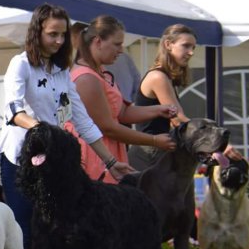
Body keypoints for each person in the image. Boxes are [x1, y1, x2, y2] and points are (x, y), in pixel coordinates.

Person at [0, 3, 133, 249]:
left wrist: (111, 162)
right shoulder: (20, 65)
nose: (58, 41)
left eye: (62, 35)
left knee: (62, 237)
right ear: (37, 33)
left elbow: (82, 120)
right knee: (24, 237)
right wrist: (44, 132)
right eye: (51, 34)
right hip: (20, 159)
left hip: (54, 166)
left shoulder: (62, 73)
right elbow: (14, 112)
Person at [64, 15, 177, 184]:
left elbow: (122, 112)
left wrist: (157, 110)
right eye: (117, 44)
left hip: (108, 156)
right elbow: (108, 128)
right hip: (95, 160)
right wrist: (154, 141)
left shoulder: (99, 72)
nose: (121, 50)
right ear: (98, 42)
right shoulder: (86, 79)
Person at [128, 23, 240, 170]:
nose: (191, 52)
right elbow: (177, 119)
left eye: (193, 47)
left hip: (159, 149)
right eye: (186, 46)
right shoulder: (158, 77)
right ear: (168, 44)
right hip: (149, 152)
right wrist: (216, 142)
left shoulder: (166, 78)